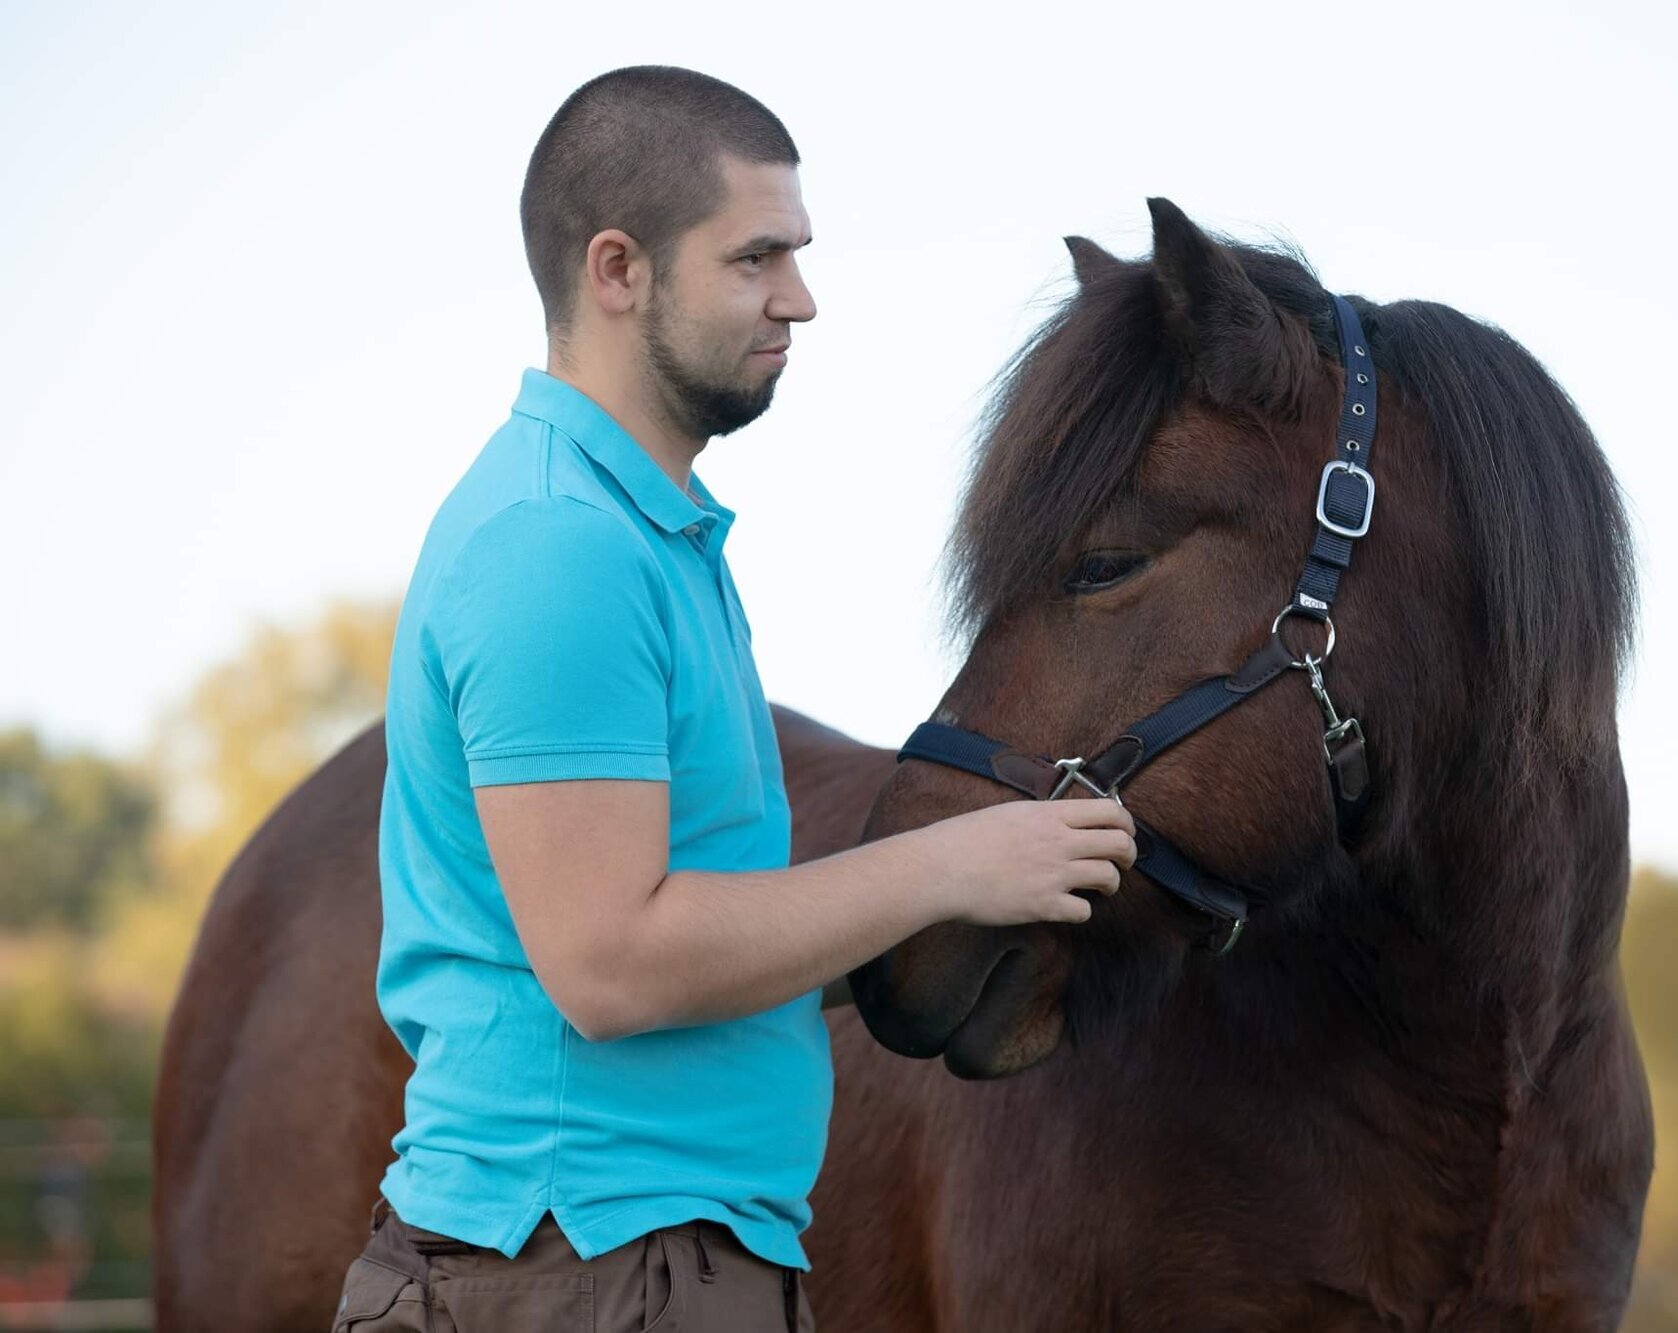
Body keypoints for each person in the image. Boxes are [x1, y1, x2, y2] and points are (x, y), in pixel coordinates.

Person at [327, 65, 1135, 1332]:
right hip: (577, 1269)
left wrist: (1004, 908)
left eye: (796, 255)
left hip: (647, 1264)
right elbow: (611, 963)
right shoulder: (558, 545)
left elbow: (695, 942)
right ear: (617, 270)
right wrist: (950, 867)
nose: (800, 300)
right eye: (755, 258)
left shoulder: (646, 536)